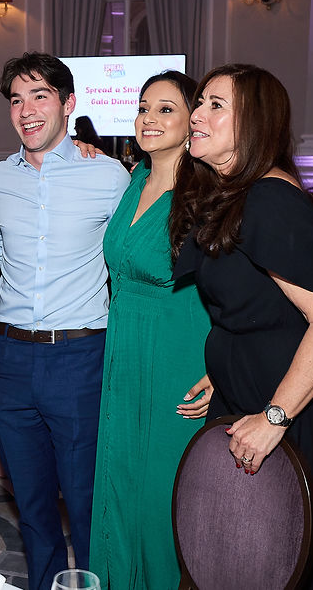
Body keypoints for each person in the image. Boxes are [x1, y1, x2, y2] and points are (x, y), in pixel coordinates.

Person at [170, 64, 313, 588]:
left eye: (216, 106)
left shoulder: (269, 199)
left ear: (254, 123)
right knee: (241, 550)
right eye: (200, 102)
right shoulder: (237, 192)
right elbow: (263, 304)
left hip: (294, 407)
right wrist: (227, 363)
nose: (197, 115)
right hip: (252, 390)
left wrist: (276, 416)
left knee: (286, 558)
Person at [0, 52, 129, 590]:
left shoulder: (108, 176)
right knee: (31, 500)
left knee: (87, 497)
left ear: (68, 104)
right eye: (16, 100)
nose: (26, 110)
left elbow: (131, 260)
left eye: (39, 96)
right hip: (9, 358)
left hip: (80, 356)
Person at [89, 71, 212, 590]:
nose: (148, 118)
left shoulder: (207, 193)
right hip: (124, 351)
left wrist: (219, 366)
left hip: (177, 354)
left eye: (165, 109)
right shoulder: (133, 180)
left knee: (163, 492)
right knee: (119, 478)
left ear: (192, 121)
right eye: (143, 108)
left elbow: (236, 291)